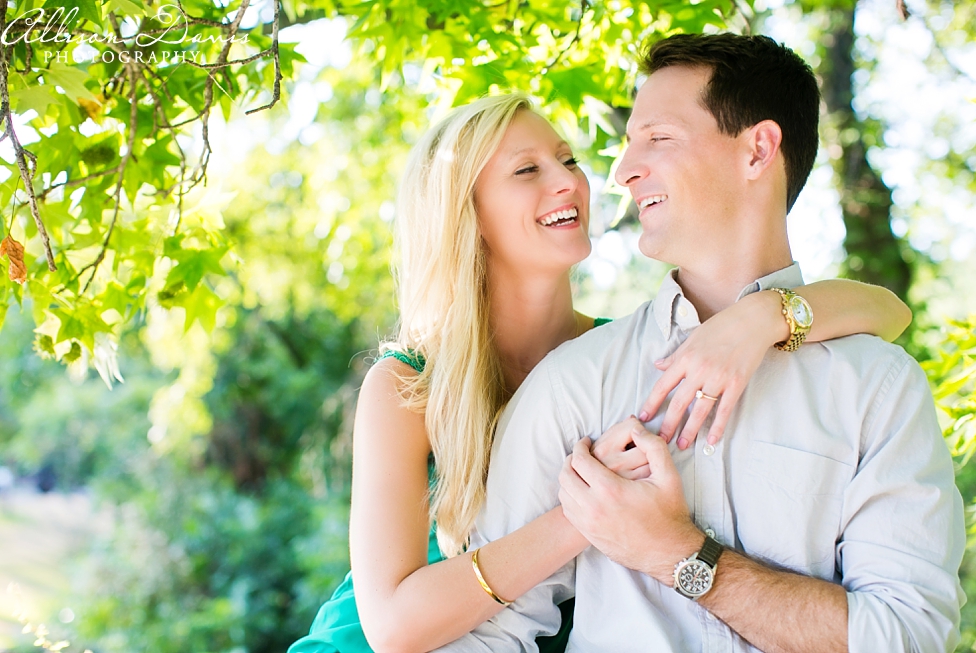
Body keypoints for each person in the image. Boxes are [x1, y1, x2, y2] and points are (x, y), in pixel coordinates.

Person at [290, 90, 914, 653]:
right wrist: (585, 516)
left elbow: (889, 312)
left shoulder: (617, 360)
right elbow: (393, 628)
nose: (568, 181)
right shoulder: (409, 384)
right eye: (528, 170)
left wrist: (761, 317)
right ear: (465, 214)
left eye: (568, 160)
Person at [436, 34, 965, 653]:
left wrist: (680, 554)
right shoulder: (573, 383)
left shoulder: (877, 387)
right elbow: (489, 638)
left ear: (757, 150)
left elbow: (908, 637)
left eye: (658, 138)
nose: (623, 171)